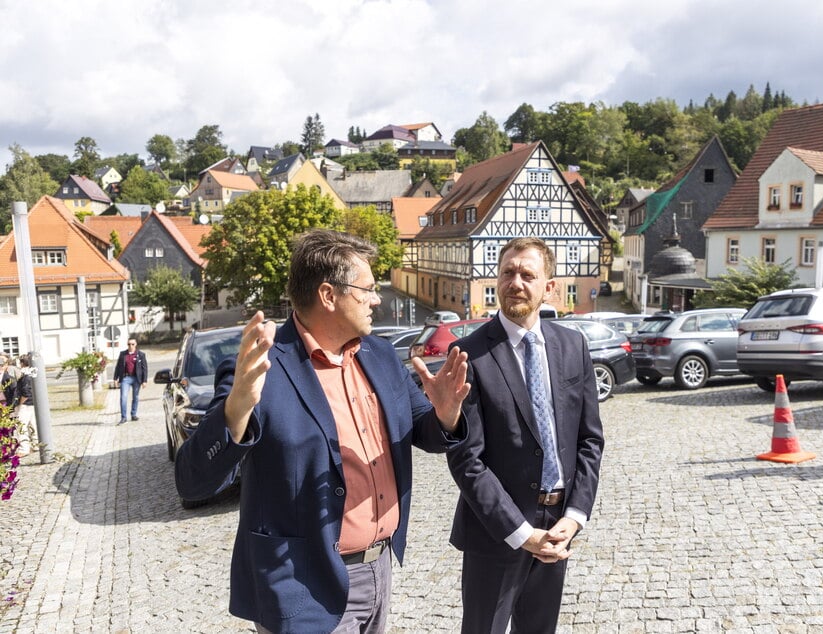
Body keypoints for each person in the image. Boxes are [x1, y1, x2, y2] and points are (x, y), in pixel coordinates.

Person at [174, 229, 470, 634]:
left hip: (379, 568)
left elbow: (425, 430)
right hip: (301, 585)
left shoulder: (380, 355)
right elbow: (193, 481)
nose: (378, 298)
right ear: (329, 296)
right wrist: (235, 409)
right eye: (367, 289)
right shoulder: (263, 368)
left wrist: (447, 414)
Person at [447, 236, 605, 633]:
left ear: (549, 287)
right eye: (507, 273)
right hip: (496, 531)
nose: (515, 282)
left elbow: (589, 440)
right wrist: (521, 533)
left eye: (527, 275)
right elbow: (467, 459)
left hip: (557, 526)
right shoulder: (469, 354)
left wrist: (575, 515)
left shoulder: (572, 345)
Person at [112, 338, 147, 424]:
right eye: (129, 344)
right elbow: (118, 367)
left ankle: (133, 414)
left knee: (135, 397)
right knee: (123, 397)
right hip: (125, 378)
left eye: (132, 344)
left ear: (136, 344)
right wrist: (115, 379)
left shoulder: (141, 354)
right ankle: (123, 417)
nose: (130, 346)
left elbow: (144, 368)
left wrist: (144, 380)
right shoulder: (123, 354)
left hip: (136, 379)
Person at [15, 355, 37, 456]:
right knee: (33, 425)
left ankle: (24, 448)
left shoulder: (25, 376)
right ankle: (36, 444)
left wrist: (20, 403)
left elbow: (26, 392)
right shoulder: (33, 374)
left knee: (21, 426)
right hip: (33, 403)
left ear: (23, 363)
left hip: (26, 404)